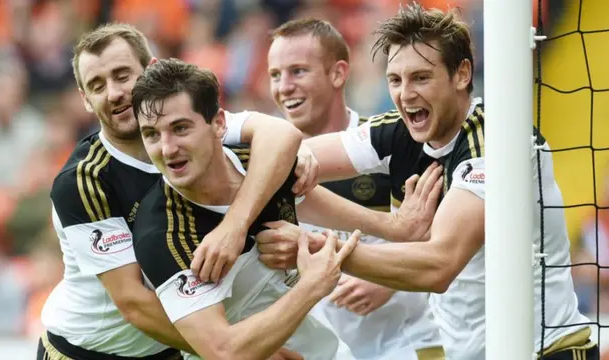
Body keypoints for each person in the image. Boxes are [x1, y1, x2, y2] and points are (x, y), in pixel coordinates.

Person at [257, 4, 598, 360]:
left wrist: (317, 248)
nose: (405, 94)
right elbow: (281, 160)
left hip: (547, 351)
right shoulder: (398, 132)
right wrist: (262, 146)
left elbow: (439, 265)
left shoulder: (495, 141)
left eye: (421, 77)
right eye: (395, 80)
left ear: (462, 74)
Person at [38, 22, 319, 359]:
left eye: (122, 75)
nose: (113, 93)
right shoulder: (83, 181)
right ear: (85, 99)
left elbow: (280, 136)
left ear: (151, 70)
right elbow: (135, 304)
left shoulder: (176, 123)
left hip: (173, 347)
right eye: (97, 86)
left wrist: (236, 224)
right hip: (90, 351)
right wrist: (242, 350)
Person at [130, 58, 359, 360]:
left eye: (181, 128)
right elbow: (224, 352)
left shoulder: (259, 163)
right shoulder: (162, 234)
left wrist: (393, 226)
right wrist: (313, 286)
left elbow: (290, 151)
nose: (167, 148)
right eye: (152, 135)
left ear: (219, 124)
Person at [266, 18, 445, 360]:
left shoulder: (393, 143)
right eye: (275, 75)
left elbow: (443, 237)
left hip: (405, 343)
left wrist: (388, 280)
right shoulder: (267, 164)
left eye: (298, 71)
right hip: (322, 352)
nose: (284, 86)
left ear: (337, 73)